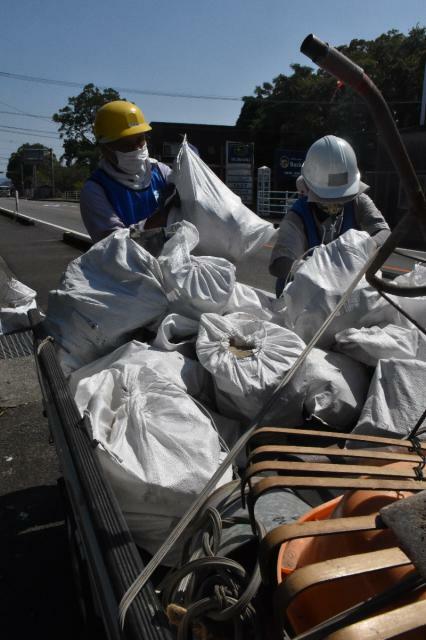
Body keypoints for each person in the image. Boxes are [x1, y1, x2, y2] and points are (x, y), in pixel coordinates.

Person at [269, 135, 390, 297]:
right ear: (310, 189)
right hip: (301, 299)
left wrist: (359, 250)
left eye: (342, 199)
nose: (336, 204)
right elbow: (280, 263)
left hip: (343, 297)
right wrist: (320, 270)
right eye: (327, 199)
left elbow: (383, 232)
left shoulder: (358, 201)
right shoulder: (297, 216)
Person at [80, 100, 175, 242]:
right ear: (105, 148)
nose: (137, 149)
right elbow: (116, 244)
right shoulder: (95, 190)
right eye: (126, 144)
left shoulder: (161, 171)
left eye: (140, 139)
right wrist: (159, 219)